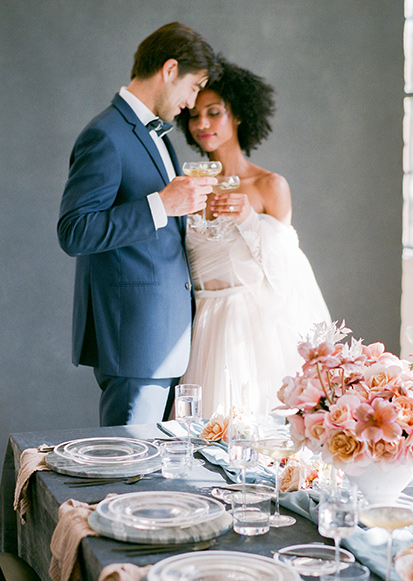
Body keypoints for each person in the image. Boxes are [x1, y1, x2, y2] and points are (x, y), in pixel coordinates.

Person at [57, 22, 218, 425]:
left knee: (148, 472)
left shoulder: (158, 135)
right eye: (194, 86)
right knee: (126, 468)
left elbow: (158, 227)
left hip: (163, 334)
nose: (192, 101)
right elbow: (75, 231)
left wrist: (184, 209)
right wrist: (162, 204)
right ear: (168, 70)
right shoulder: (105, 135)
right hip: (134, 338)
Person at [176, 57, 331, 418]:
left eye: (214, 113)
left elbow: (285, 273)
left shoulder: (269, 186)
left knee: (247, 430)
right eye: (194, 115)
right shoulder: (186, 190)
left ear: (239, 115)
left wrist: (248, 218)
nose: (202, 124)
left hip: (248, 328)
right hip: (197, 326)